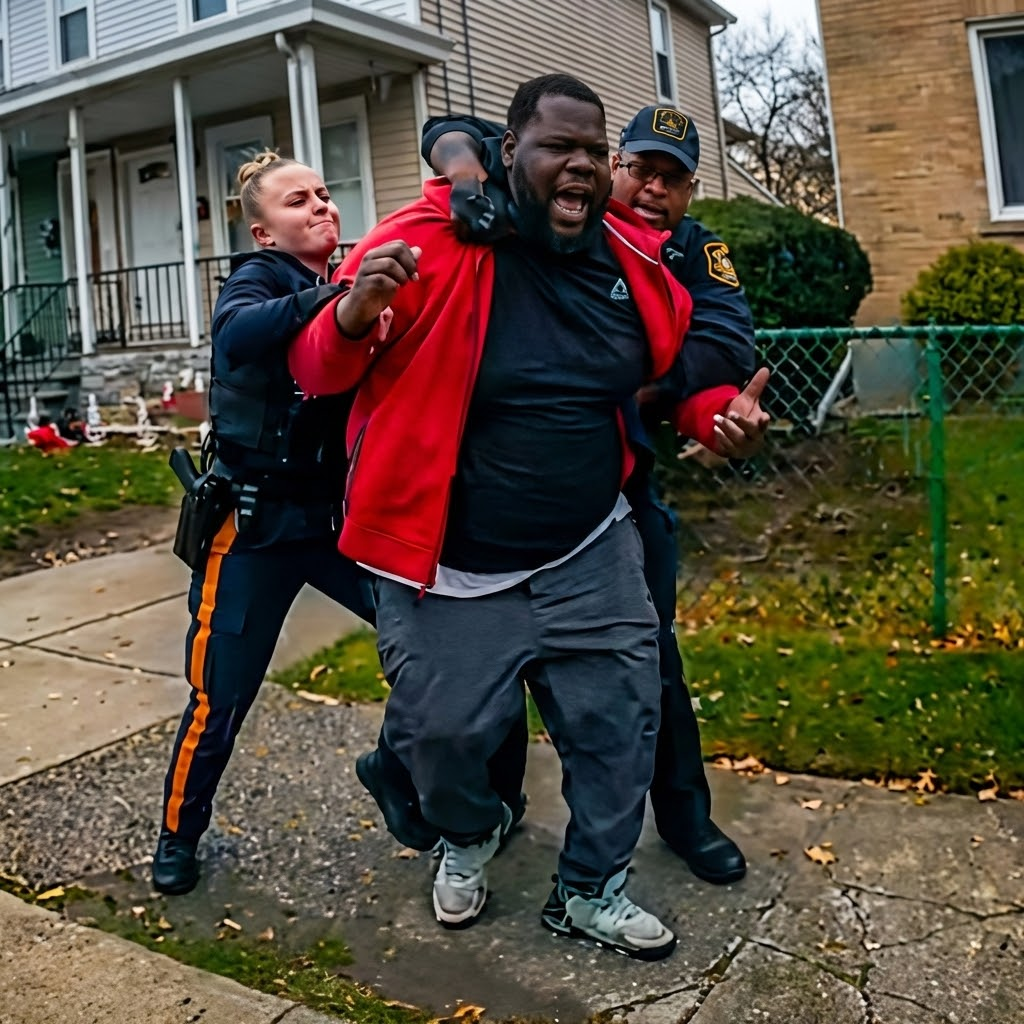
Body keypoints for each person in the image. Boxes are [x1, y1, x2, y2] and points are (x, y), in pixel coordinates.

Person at [288, 73, 765, 960]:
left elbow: (682, 374)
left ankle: (592, 886)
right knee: (442, 737)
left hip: (590, 546)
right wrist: (351, 314)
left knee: (622, 722)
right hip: (448, 562)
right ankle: (468, 833)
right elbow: (317, 370)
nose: (580, 166)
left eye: (591, 151)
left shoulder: (642, 262)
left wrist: (716, 416)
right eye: (562, 149)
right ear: (513, 154)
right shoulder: (433, 238)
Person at [151, 151, 376, 896]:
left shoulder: (346, 288)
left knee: (425, 644)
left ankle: (408, 781)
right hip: (249, 527)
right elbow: (238, 337)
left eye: (323, 194)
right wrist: (331, 301)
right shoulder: (261, 283)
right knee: (220, 696)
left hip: (332, 524)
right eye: (296, 202)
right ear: (264, 232)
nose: (319, 207)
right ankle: (178, 835)